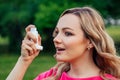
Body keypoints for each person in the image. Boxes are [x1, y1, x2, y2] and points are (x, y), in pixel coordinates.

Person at [6, 6, 120, 80]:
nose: (56, 39)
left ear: (90, 41)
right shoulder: (48, 77)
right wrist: (23, 61)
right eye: (57, 32)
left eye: (68, 33)